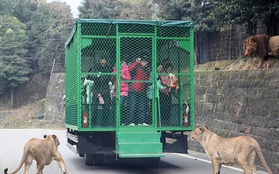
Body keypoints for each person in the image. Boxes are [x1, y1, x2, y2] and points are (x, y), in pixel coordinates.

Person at [128, 56, 150, 126]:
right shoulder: (137, 66)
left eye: (146, 61)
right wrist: (136, 62)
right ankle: (131, 122)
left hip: (142, 90)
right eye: (144, 61)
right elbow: (129, 69)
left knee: (142, 107)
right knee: (132, 106)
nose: (145, 63)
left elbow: (146, 79)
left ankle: (141, 122)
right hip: (133, 90)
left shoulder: (147, 69)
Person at [90, 58, 112, 126]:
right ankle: (93, 123)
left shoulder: (108, 68)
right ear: (100, 61)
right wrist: (96, 76)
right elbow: (90, 76)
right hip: (96, 89)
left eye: (105, 60)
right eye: (102, 60)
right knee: (94, 107)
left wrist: (100, 77)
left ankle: (104, 123)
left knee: (107, 106)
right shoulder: (95, 67)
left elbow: (107, 78)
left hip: (105, 89)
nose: (103, 62)